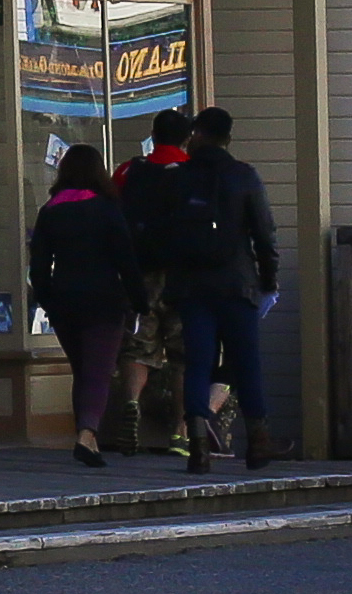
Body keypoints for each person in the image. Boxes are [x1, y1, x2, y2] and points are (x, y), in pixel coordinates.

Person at [145, 105, 284, 466]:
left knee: (198, 362)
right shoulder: (244, 177)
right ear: (228, 139)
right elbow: (264, 233)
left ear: (197, 135)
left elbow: (161, 232)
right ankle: (258, 440)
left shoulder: (178, 178)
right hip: (237, 284)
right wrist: (268, 280)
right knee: (246, 362)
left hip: (192, 287)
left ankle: (196, 442)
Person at [26, 140, 143, 468]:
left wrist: (47, 300)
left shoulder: (50, 211)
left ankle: (87, 439)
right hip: (104, 300)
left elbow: (39, 266)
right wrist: (139, 300)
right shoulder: (106, 208)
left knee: (82, 370)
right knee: (98, 371)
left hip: (64, 301)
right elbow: (126, 260)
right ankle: (86, 433)